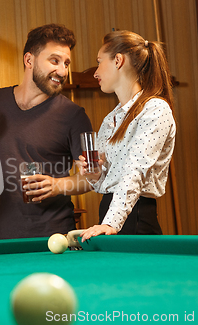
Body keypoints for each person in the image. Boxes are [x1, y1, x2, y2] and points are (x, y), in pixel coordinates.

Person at [0, 24, 93, 240]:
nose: (62, 71)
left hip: (56, 241)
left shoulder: (74, 115)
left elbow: (92, 178)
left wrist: (58, 185)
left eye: (66, 63)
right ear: (29, 60)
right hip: (2, 239)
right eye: (54, 61)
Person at [79, 30, 176, 241]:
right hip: (108, 211)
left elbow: (135, 172)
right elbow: (109, 181)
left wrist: (110, 223)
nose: (95, 72)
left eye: (99, 62)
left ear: (118, 61)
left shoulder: (155, 109)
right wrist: (96, 175)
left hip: (135, 215)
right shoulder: (110, 119)